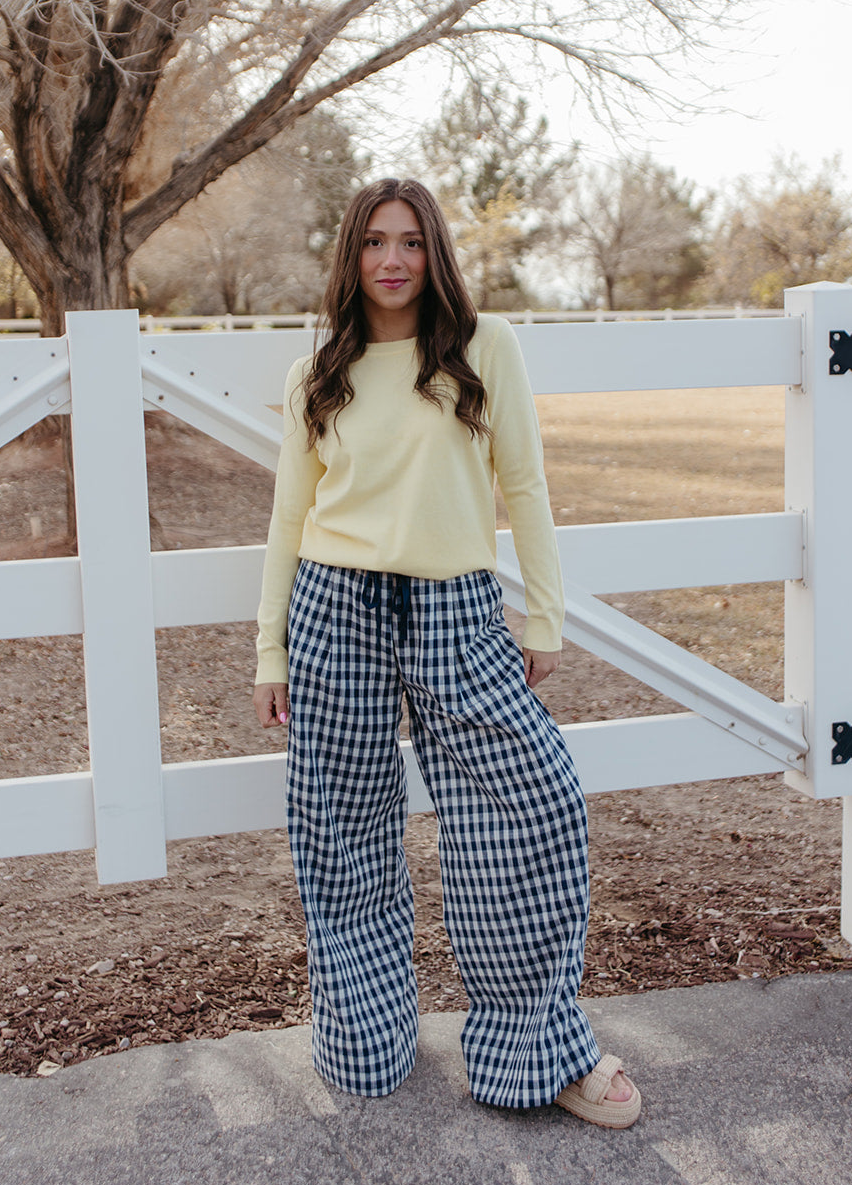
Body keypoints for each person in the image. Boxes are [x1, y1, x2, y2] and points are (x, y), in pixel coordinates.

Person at [252, 178, 640, 1127]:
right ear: (350, 256)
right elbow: (289, 519)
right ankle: (364, 1035)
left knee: (532, 805)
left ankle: (535, 1049)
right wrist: (271, 650)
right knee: (341, 832)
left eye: (411, 242)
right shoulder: (316, 376)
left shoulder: (481, 347)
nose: (392, 260)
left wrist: (542, 616)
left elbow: (525, 484)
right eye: (373, 242)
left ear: (435, 254)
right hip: (333, 607)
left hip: (456, 606)